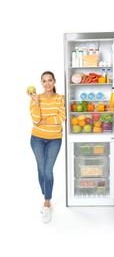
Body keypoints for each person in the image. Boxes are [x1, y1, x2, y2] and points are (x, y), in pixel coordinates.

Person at [27, 71, 66, 223]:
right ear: (41, 83)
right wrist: (36, 102)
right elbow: (36, 120)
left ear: (54, 81)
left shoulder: (60, 99)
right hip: (37, 138)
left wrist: (45, 121)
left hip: (55, 139)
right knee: (41, 169)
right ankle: (46, 193)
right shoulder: (35, 98)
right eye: (44, 81)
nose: (47, 83)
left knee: (48, 170)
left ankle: (47, 202)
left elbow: (61, 118)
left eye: (50, 80)